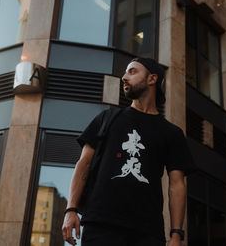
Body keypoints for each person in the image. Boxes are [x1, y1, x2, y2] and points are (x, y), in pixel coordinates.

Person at [62, 57, 196, 246]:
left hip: (147, 232)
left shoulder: (171, 133)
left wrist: (176, 235)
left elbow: (176, 185)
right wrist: (71, 210)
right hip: (101, 225)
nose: (124, 77)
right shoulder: (107, 119)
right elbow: (83, 164)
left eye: (132, 71)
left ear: (152, 79)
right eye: (125, 72)